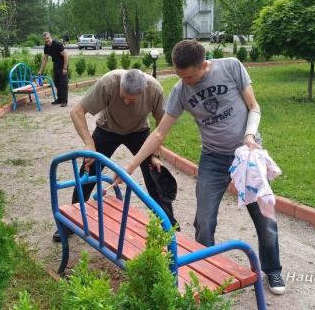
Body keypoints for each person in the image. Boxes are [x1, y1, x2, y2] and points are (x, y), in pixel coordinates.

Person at [117, 40, 285, 295]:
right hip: (213, 159)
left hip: (246, 156)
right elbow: (159, 134)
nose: (185, 82)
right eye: (180, 76)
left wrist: (250, 135)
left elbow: (254, 107)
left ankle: (272, 269)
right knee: (204, 220)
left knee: (264, 217)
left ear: (204, 64)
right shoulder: (180, 91)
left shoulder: (231, 67)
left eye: (190, 76)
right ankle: (206, 270)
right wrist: (130, 166)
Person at [52, 69, 178, 242]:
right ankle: (70, 220)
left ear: (143, 91)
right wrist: (90, 144)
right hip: (108, 129)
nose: (126, 101)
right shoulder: (108, 83)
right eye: (123, 96)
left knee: (154, 172)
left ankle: (169, 226)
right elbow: (77, 112)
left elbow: (162, 125)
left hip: (139, 131)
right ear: (120, 86)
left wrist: (155, 154)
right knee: (88, 170)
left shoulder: (154, 90)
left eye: (132, 99)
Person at [38, 32, 69, 107]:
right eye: (45, 39)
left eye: (47, 38)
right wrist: (40, 70)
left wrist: (65, 68)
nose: (46, 40)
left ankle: (64, 101)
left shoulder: (57, 44)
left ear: (50, 37)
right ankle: (59, 99)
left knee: (63, 82)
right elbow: (45, 59)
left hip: (63, 64)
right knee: (56, 81)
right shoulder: (46, 47)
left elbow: (66, 55)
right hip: (56, 64)